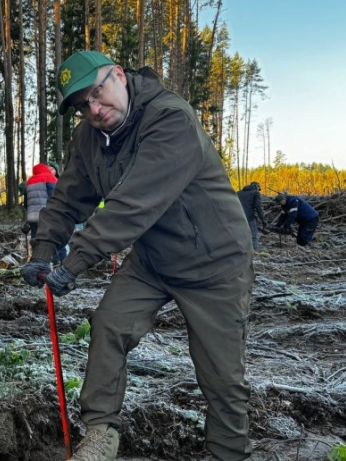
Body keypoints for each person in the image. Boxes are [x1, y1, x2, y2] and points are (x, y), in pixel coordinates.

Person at [20, 51, 254, 461]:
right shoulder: (89, 138)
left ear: (120, 76)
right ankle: (100, 433)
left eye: (98, 92)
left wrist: (76, 261)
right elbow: (68, 197)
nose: (93, 109)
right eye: (82, 105)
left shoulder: (170, 119)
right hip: (152, 261)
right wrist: (44, 248)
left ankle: (228, 453)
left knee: (222, 377)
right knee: (109, 326)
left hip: (214, 262)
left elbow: (134, 204)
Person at [25, 163, 68, 263]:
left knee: (36, 240)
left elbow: (26, 202)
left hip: (32, 217)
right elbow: (55, 197)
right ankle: (57, 262)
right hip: (47, 215)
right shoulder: (49, 177)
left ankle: (38, 262)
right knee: (54, 238)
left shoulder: (30, 181)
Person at [237, 181, 267, 250]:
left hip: (238, 217)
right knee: (254, 235)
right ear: (257, 187)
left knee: (241, 235)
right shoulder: (256, 193)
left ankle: (241, 249)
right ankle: (254, 251)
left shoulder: (238, 193)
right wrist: (263, 220)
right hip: (249, 217)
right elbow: (258, 207)